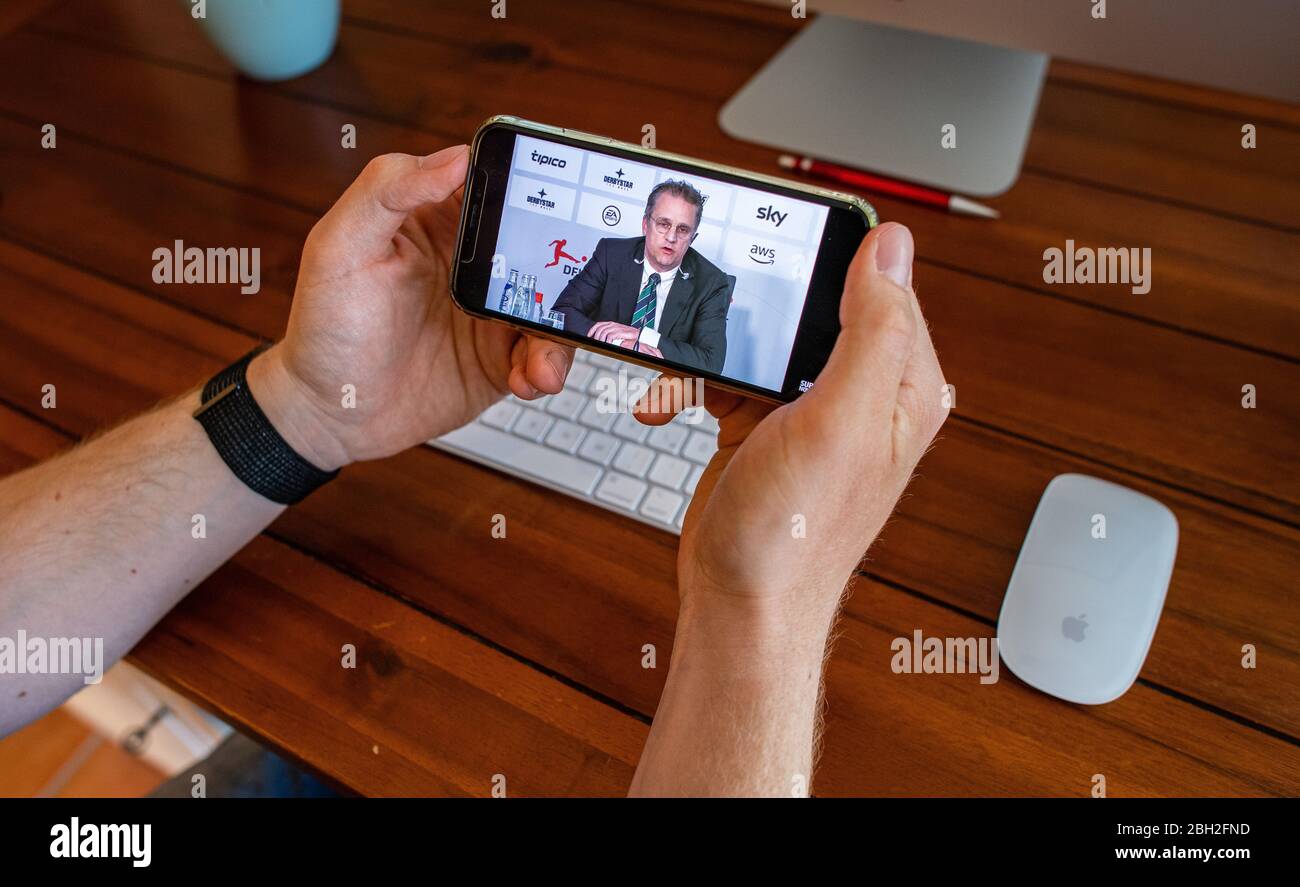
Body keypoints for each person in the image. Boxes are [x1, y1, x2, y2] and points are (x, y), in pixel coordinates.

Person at [0, 144, 946, 797]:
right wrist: (760, 607)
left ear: (691, 234)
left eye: (675, 227)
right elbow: (575, 304)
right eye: (653, 221)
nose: (661, 239)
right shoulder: (613, 257)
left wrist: (303, 402)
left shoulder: (714, 284)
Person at [552, 180, 731, 373]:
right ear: (646, 225)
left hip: (660, 383)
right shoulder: (611, 254)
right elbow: (562, 312)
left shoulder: (712, 283)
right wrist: (620, 343)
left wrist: (642, 337)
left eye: (682, 230)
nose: (671, 238)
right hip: (599, 368)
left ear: (692, 238)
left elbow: (711, 363)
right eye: (664, 224)